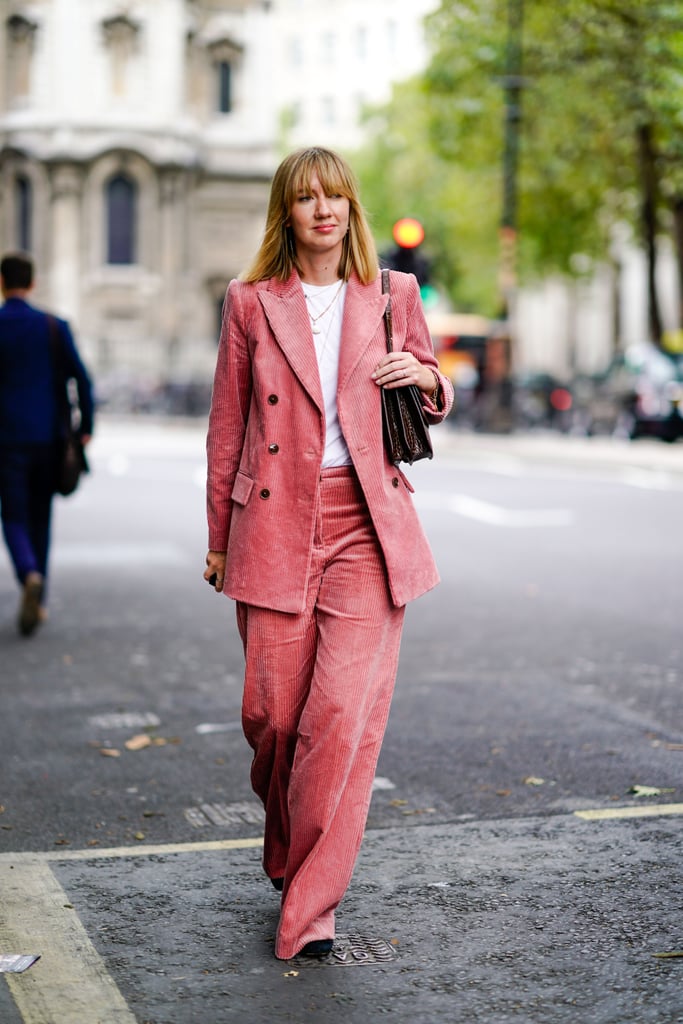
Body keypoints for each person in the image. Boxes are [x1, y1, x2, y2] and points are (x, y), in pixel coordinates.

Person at [204, 147, 453, 960]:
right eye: (306, 198)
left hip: (364, 528)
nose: (323, 210)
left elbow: (435, 392)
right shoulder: (249, 303)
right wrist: (217, 540)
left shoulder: (391, 294)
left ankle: (309, 908)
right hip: (272, 527)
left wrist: (417, 368)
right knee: (273, 718)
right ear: (286, 212)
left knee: (338, 723)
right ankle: (288, 847)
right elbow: (227, 428)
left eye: (335, 197)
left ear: (351, 209)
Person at [0, 252, 94, 636]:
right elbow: (82, 380)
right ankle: (39, 600)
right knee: (42, 517)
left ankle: (28, 574)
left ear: (3, 284)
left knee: (14, 515)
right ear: (33, 283)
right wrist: (85, 426)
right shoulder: (54, 327)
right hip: (49, 438)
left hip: (6, 440)